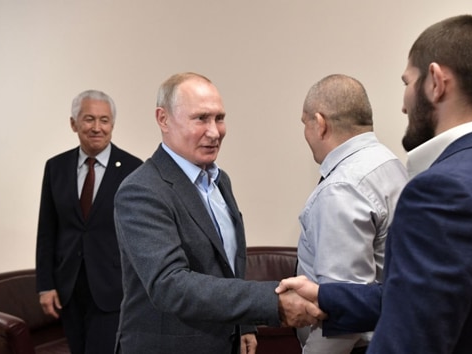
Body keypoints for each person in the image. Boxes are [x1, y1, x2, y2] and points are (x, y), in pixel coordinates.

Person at [277, 14, 472, 354]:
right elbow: (430, 299)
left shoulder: (442, 191)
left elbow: (408, 341)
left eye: (407, 82)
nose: (403, 104)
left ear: (436, 82)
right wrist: (326, 296)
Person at [113, 72, 322, 354]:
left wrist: (243, 325)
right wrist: (270, 303)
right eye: (201, 118)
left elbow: (225, 264)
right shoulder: (141, 190)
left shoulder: (219, 180)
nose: (214, 132)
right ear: (163, 119)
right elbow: (170, 285)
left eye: (219, 118)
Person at [295, 74, 407, 354]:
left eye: (305, 123)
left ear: (320, 124)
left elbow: (344, 313)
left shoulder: (342, 188)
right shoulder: (389, 165)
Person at [35, 90, 143, 354]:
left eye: (104, 120)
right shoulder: (55, 167)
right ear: (74, 123)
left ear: (112, 125)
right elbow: (47, 231)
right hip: (68, 289)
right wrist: (45, 285)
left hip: (114, 289)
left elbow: (140, 235)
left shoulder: (134, 169)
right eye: (89, 119)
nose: (97, 127)